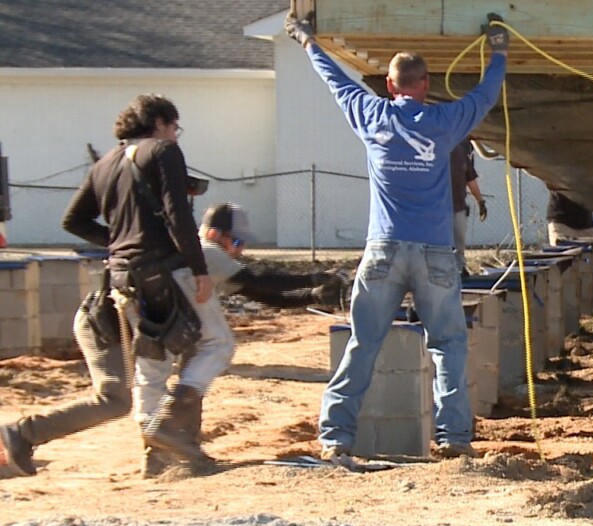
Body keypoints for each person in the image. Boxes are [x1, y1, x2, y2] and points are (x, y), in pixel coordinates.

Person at [286, 11, 507, 465]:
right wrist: (498, 49)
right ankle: (454, 439)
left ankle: (336, 437)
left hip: (383, 250)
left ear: (389, 85)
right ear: (425, 84)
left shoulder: (369, 113)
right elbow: (485, 96)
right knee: (448, 345)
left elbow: (333, 77)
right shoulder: (445, 121)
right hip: (434, 254)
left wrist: (306, 39)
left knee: (363, 343)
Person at [1, 94, 212, 480]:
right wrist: (189, 265)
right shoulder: (161, 151)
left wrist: (120, 243)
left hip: (117, 297)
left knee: (166, 366)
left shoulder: (105, 164)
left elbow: (73, 220)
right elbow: (177, 215)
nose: (176, 138)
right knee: (123, 394)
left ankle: (167, 454)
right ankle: (20, 434)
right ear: (161, 123)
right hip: (107, 317)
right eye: (175, 128)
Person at [138, 203, 348, 477]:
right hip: (174, 302)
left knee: (165, 375)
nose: (240, 250)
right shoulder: (208, 251)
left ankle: (160, 456)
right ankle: (168, 427)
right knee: (219, 346)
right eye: (236, 241)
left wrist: (313, 295)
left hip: (156, 311)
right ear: (214, 234)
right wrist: (313, 277)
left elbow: (261, 294)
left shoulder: (200, 255)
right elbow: (260, 279)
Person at [450, 139, 488, 275]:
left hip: (458, 207)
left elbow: (471, 180)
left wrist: (481, 202)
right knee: (442, 245)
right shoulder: (437, 152)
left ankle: (460, 269)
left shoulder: (462, 154)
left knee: (459, 244)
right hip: (438, 209)